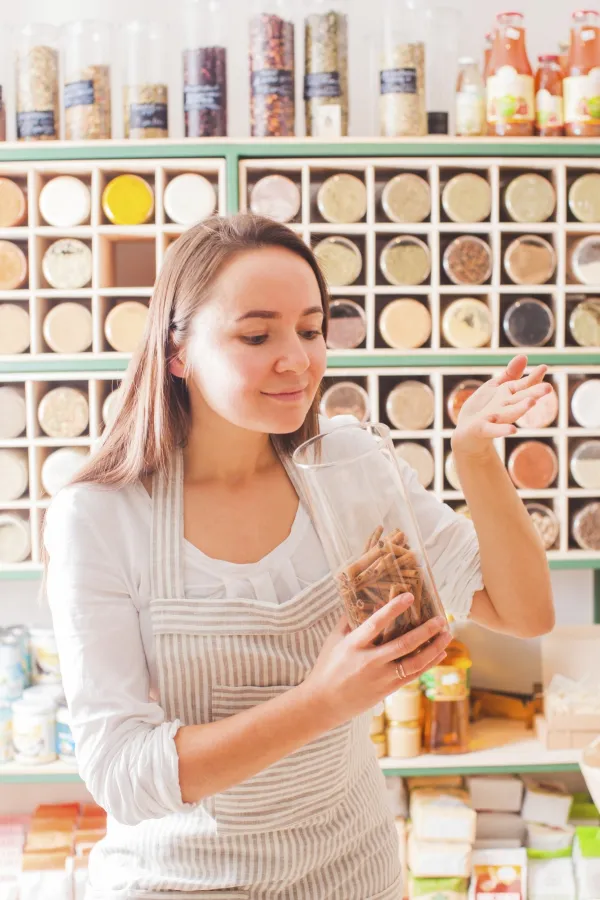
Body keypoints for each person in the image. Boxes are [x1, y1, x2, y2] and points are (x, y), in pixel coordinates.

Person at [45, 214, 555, 900]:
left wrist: (476, 456)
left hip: (355, 868)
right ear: (177, 352)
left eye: (311, 330)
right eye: (257, 336)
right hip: (181, 881)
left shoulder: (351, 464)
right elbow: (121, 775)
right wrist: (321, 703)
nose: (298, 360)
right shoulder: (101, 516)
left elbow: (524, 613)